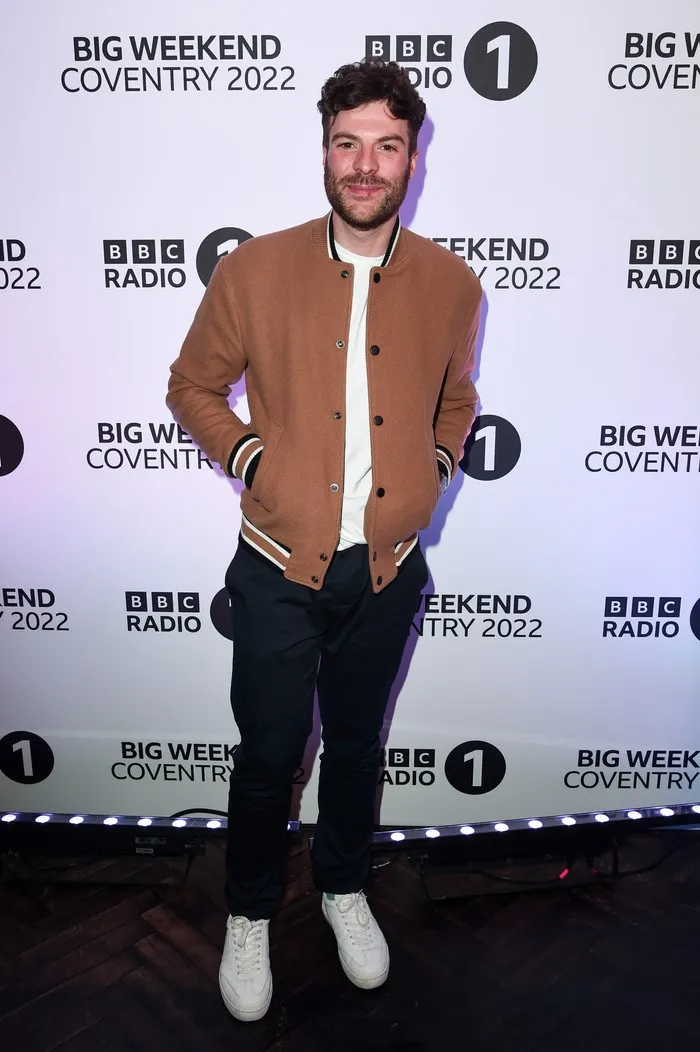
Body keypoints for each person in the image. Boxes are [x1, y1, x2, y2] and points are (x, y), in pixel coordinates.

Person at [166, 57, 482, 1023]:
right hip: (275, 569)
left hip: (386, 571)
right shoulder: (253, 268)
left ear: (412, 161)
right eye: (348, 143)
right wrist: (255, 458)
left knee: (353, 744)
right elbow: (190, 386)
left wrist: (431, 466)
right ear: (324, 151)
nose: (365, 164)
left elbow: (458, 400)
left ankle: (344, 888)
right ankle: (252, 910)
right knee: (268, 753)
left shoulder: (452, 284)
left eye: (387, 145)